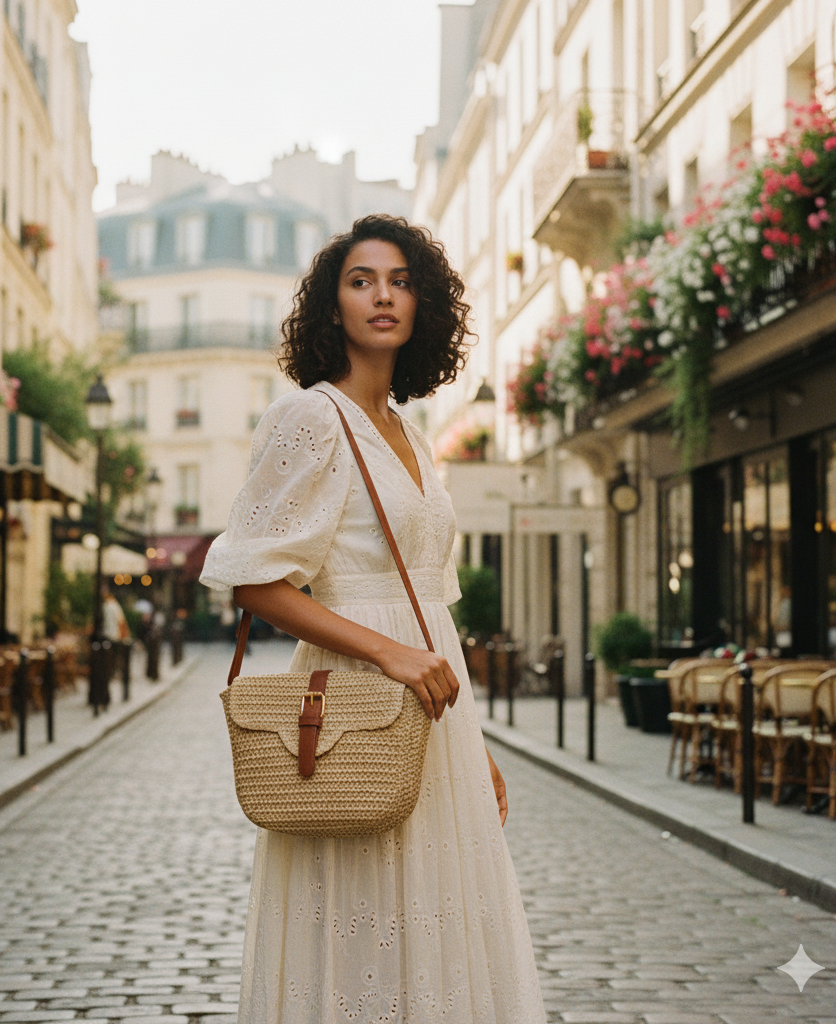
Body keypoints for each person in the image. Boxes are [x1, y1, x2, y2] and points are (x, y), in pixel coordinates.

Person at [200, 214, 547, 1023]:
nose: (383, 296)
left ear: (424, 306)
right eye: (362, 282)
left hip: (431, 705)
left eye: (400, 282)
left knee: (438, 915)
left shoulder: (411, 434)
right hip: (353, 696)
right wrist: (388, 654)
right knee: (358, 916)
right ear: (334, 307)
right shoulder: (310, 417)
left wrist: (471, 742)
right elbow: (255, 582)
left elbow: (428, 609)